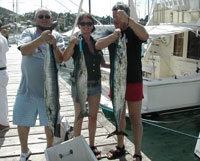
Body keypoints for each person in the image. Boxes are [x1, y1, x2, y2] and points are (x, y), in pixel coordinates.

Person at [95, 2, 149, 161]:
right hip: (116, 81)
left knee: (135, 118)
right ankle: (120, 146)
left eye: (118, 17)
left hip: (134, 81)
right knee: (119, 116)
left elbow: (145, 36)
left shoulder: (134, 30)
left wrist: (129, 21)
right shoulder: (110, 31)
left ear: (126, 16)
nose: (115, 20)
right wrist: (113, 36)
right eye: (114, 17)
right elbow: (98, 45)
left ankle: (137, 152)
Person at [13, 8, 65, 161]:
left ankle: (49, 149)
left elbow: (60, 59)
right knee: (22, 121)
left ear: (51, 18)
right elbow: (24, 50)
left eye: (47, 17)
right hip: (27, 89)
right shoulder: (28, 32)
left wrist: (53, 45)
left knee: (50, 121)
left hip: (50, 92)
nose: (44, 19)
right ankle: (24, 151)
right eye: (40, 17)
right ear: (35, 19)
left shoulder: (57, 36)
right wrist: (42, 39)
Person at [63, 13, 109, 159]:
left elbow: (102, 63)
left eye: (89, 23)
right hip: (79, 86)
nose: (86, 26)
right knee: (79, 116)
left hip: (95, 85)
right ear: (79, 26)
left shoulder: (97, 42)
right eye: (83, 24)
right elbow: (64, 57)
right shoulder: (76, 42)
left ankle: (92, 145)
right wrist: (71, 43)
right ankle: (76, 144)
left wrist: (117, 66)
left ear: (92, 26)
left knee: (93, 117)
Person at [0, 20, 10, 132]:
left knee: (1, 99)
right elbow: (6, 50)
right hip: (3, 71)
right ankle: (3, 121)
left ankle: (3, 123)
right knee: (2, 98)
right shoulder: (2, 38)